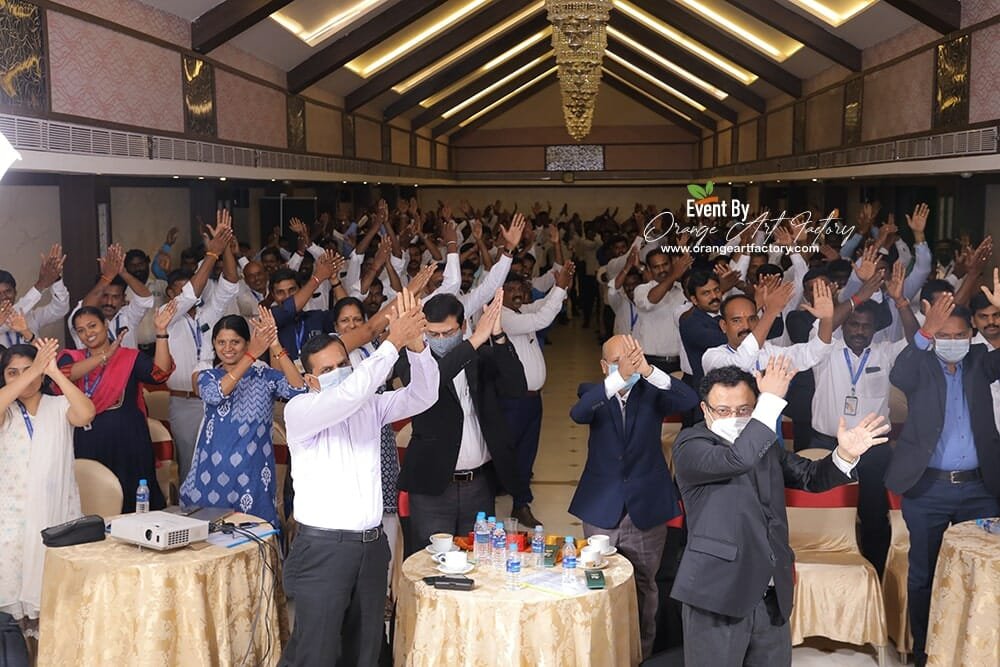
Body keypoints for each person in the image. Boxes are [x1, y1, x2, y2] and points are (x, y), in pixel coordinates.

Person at [671, 359, 890, 666]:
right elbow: (738, 459)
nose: (734, 417)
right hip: (717, 593)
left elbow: (810, 477)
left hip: (770, 592)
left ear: (754, 408)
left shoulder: (763, 444)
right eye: (723, 410)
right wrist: (771, 400)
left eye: (744, 410)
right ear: (705, 410)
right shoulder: (690, 445)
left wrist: (844, 455)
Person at [280, 289, 437, 667]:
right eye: (327, 370)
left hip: (371, 546)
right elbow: (347, 395)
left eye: (343, 364)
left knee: (366, 649)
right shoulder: (301, 409)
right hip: (323, 550)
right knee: (316, 653)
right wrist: (392, 343)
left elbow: (424, 395)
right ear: (310, 379)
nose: (338, 373)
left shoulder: (370, 405)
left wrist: (416, 345)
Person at [887, 291, 1000, 667]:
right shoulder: (921, 365)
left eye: (959, 335)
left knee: (981, 571)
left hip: (980, 489)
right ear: (933, 337)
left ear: (972, 335)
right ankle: (925, 652)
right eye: (943, 336)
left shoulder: (980, 361)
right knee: (923, 574)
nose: (952, 342)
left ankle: (972, 649)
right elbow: (899, 374)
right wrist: (925, 330)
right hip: (928, 489)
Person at [569, 334, 698, 659]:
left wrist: (649, 371)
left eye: (632, 358)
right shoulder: (593, 392)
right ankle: (601, 653)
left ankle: (641, 654)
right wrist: (618, 378)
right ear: (605, 366)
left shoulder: (652, 393)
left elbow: (689, 400)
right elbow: (579, 413)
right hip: (601, 506)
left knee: (644, 584)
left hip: (647, 505)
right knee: (598, 580)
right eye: (618, 361)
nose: (626, 365)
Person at [397, 291, 526, 555]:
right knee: (430, 562)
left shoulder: (481, 357)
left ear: (463, 326)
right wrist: (475, 340)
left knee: (477, 559)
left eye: (448, 333)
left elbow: (517, 388)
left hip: (478, 483)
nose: (440, 340)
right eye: (433, 334)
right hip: (432, 485)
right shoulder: (411, 361)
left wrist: (497, 335)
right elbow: (430, 383)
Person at [0, 339, 94, 642]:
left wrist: (53, 372)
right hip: (13, 522)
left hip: (56, 517)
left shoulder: (59, 406)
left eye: (29, 370)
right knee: (14, 616)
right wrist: (33, 370)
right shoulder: (6, 410)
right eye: (12, 372)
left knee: (58, 606)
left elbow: (86, 413)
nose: (23, 378)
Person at [179, 308, 305, 529]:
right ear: (214, 345)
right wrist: (251, 356)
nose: (228, 348)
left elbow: (299, 390)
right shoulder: (208, 377)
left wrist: (275, 344)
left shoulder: (265, 377)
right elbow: (215, 395)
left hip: (252, 474)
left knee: (255, 534)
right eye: (221, 342)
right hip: (211, 473)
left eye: (235, 342)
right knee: (209, 536)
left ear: (247, 343)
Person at [59, 302, 175, 511]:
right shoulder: (72, 357)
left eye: (92, 326)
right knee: (93, 499)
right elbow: (63, 376)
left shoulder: (128, 357)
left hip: (129, 441)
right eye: (81, 330)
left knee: (134, 499)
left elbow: (160, 374)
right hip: (88, 440)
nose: (88, 333)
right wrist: (104, 357)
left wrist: (161, 333)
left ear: (105, 324)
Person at [163, 213, 238, 485]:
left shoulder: (209, 313)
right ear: (169, 294)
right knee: (190, 464)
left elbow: (230, 284)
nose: (189, 294)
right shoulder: (166, 317)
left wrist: (224, 246)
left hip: (217, 398)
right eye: (180, 290)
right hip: (185, 402)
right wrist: (211, 254)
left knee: (221, 460)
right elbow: (189, 296)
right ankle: (189, 509)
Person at [500, 263, 573, 528]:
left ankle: (519, 501)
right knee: (510, 452)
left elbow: (544, 307)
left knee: (527, 452)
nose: (517, 293)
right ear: (499, 293)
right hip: (512, 399)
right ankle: (518, 501)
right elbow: (542, 319)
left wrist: (562, 285)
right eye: (510, 289)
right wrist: (560, 287)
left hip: (531, 399)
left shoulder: (520, 310)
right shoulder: (503, 317)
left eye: (520, 288)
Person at [68, 244, 154, 350]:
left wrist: (122, 272)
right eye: (105, 296)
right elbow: (85, 309)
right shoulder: (81, 318)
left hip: (129, 361)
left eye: (115, 297)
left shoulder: (128, 316)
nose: (109, 302)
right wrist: (107, 277)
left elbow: (145, 299)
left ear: (123, 299)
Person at [633, 250, 692, 374]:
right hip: (650, 361)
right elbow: (650, 301)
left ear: (672, 264)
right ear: (649, 269)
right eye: (656, 267)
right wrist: (673, 276)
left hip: (680, 362)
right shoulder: (641, 290)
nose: (662, 270)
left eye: (665, 265)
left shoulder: (683, 291)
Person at [0, 245, 69, 347]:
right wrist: (41, 284)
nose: (3, 297)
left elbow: (61, 309)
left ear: (15, 292)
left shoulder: (31, 317)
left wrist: (55, 278)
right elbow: (8, 319)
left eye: (8, 291)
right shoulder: (19, 312)